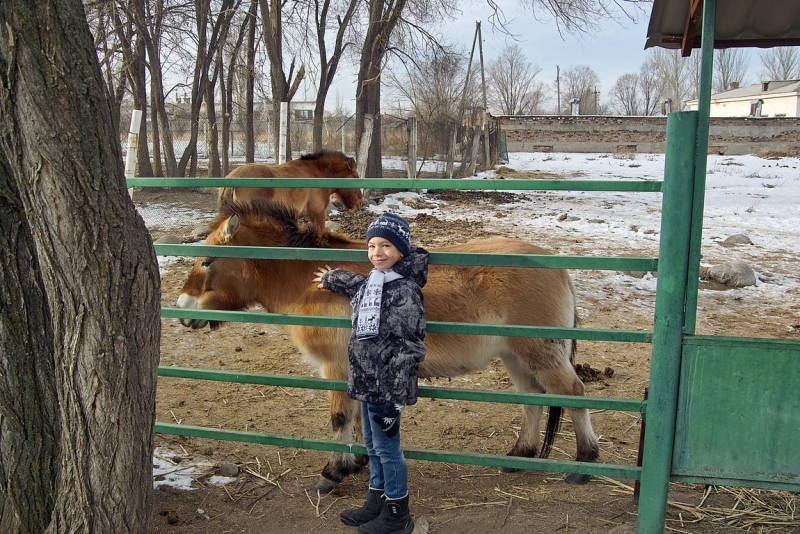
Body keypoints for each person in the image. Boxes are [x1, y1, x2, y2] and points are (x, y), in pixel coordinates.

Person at [313, 212, 428, 534]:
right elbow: (358, 286)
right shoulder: (375, 282)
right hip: (366, 381)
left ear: (402, 251)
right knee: (374, 448)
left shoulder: (405, 291)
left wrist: (394, 386)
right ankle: (376, 500)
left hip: (386, 387)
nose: (377, 252)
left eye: (387, 245)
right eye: (372, 245)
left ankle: (397, 513)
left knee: (389, 450)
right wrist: (332, 278)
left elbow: (410, 342)